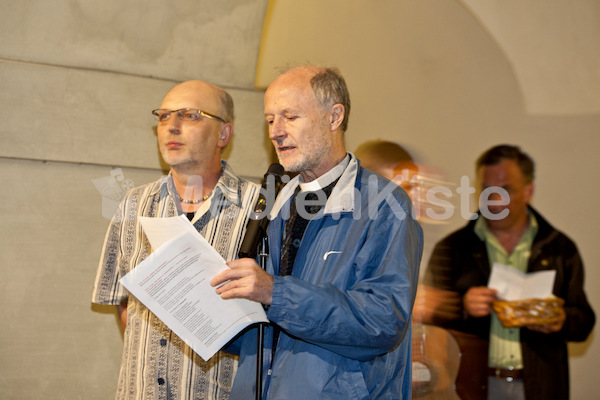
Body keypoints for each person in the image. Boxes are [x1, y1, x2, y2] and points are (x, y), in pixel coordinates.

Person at [210, 66, 423, 399]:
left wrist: (274, 292)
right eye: (269, 120)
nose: (276, 132)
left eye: (290, 117)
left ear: (334, 117)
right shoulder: (272, 204)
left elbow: (383, 321)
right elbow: (265, 334)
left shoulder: (385, 204)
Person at [92, 80, 260, 399]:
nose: (172, 126)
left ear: (224, 134)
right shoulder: (133, 204)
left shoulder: (259, 210)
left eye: (190, 115)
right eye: (164, 116)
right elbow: (122, 300)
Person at [423, 144, 595, 400]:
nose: (494, 200)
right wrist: (462, 306)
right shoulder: (452, 249)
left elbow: (583, 322)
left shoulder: (559, 248)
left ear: (529, 191)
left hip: (540, 386)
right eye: (486, 190)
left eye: (506, 190)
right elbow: (425, 324)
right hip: (470, 387)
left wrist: (561, 320)